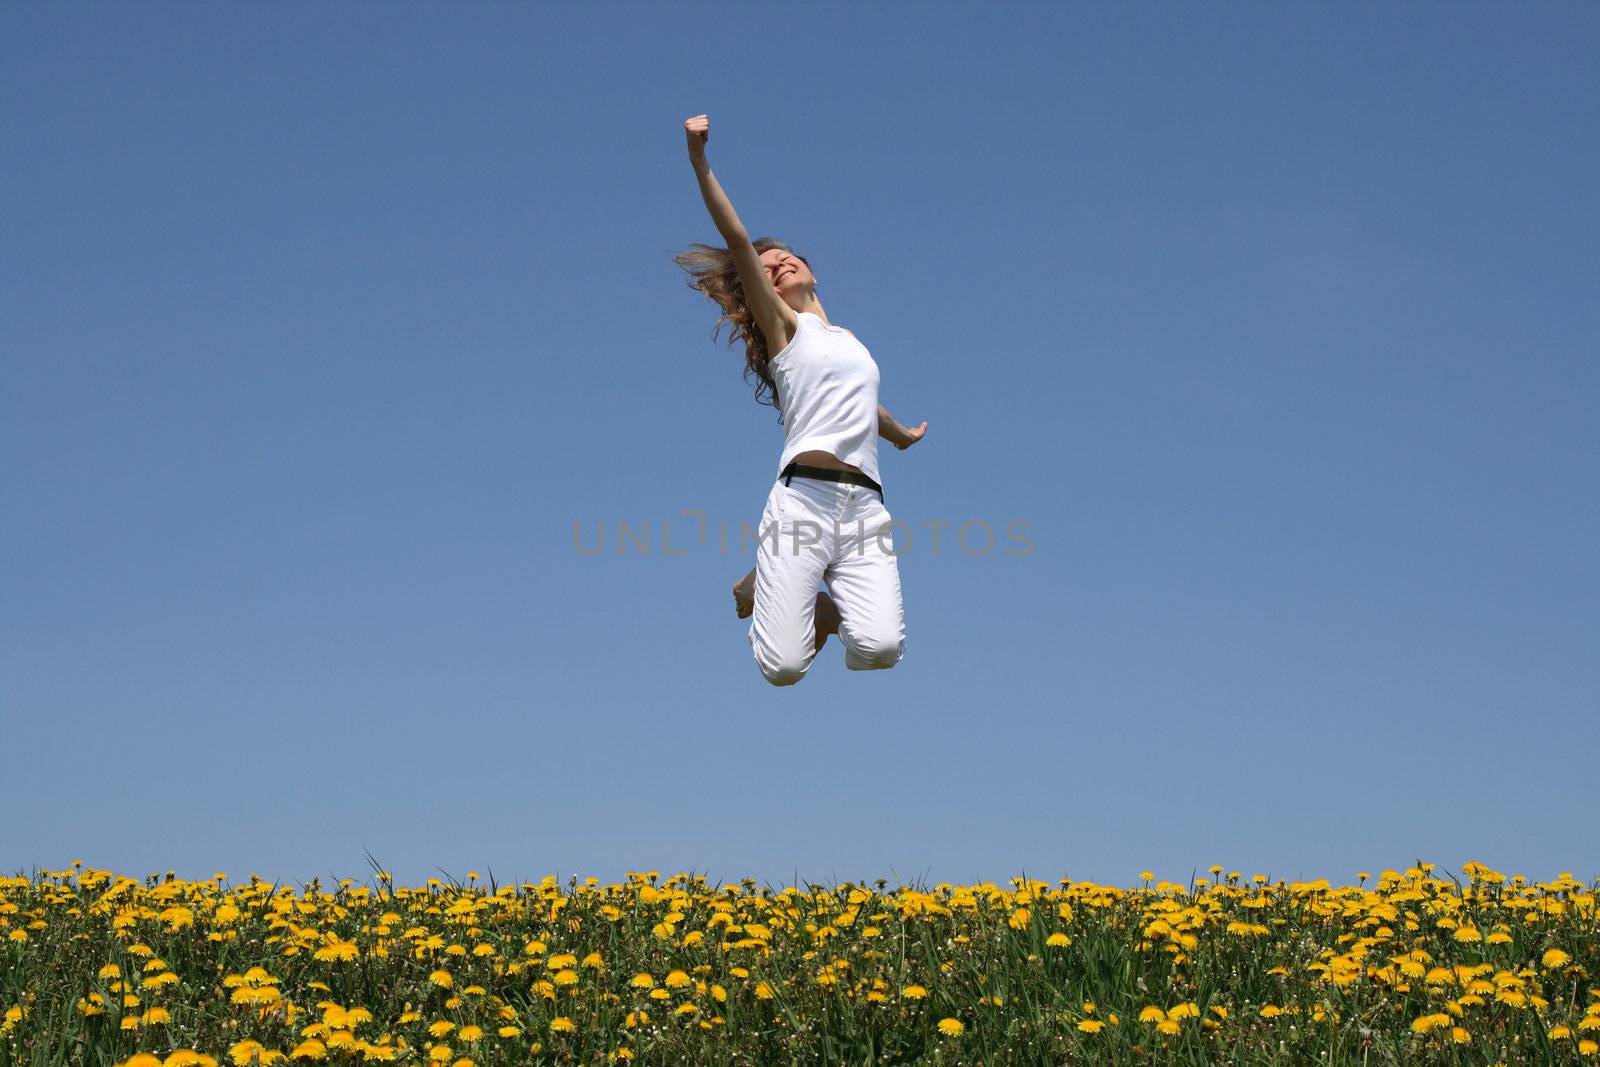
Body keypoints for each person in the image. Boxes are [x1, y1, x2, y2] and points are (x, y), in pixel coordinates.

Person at [673, 113, 927, 686]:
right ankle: (768, 580)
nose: (780, 263)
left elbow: (861, 405)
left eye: (787, 256)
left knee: (881, 649)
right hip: (804, 500)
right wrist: (698, 161)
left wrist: (901, 434)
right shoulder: (785, 331)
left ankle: (809, 599)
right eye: (767, 270)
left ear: (812, 268)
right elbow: (738, 238)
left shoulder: (850, 343)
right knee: (784, 668)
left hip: (865, 507)